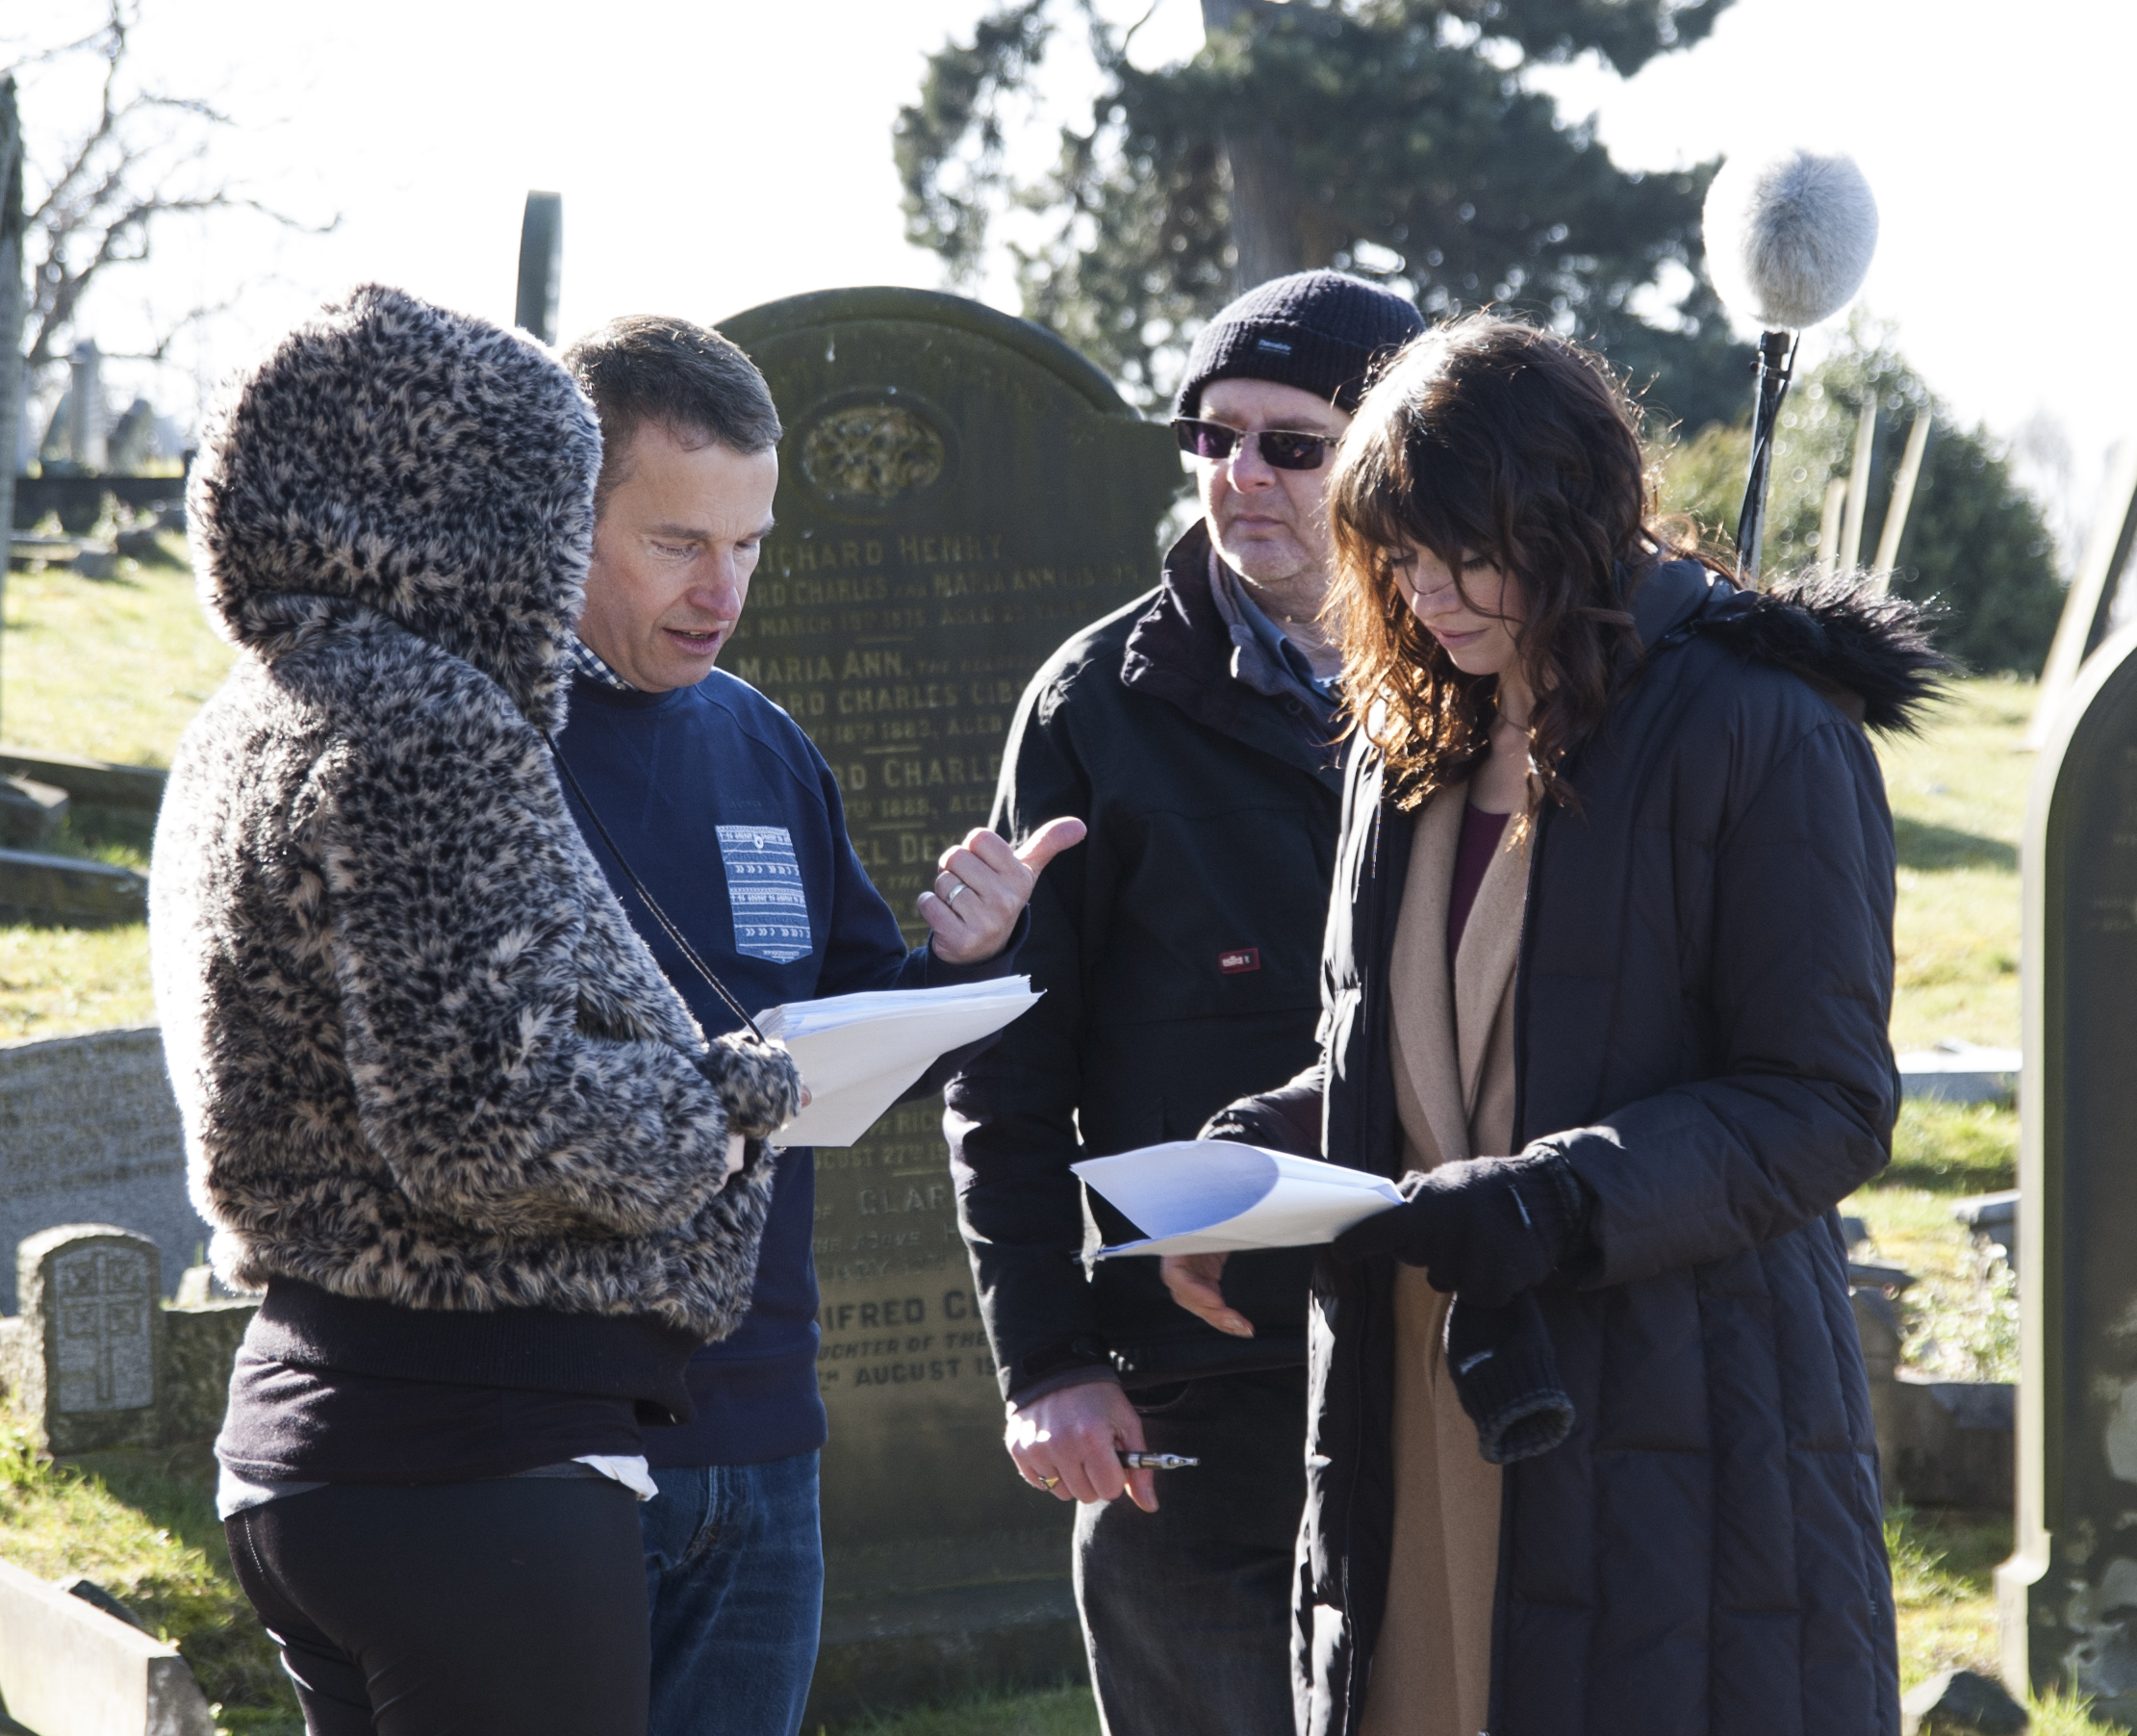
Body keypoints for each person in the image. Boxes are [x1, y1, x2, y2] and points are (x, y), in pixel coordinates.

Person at [1164, 313, 1940, 1736]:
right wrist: (1259, 1156)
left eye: (1460, 549)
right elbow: (1425, 1050)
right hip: (1409, 1398)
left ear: (1568, 518)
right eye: (1393, 554)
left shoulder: (1762, 724)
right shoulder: (1414, 738)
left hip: (1670, 1414)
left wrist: (1553, 1202)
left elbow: (1823, 1100)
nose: (1424, 591)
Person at [154, 285, 805, 1735]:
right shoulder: (428, 723)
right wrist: (728, 1105)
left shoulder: (253, 710)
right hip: (472, 1454)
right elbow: (481, 1121)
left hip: (316, 1440)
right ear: (491, 510)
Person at [548, 313, 1077, 1736]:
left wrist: (965, 959)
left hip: (769, 1429)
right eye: (676, 543)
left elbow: (859, 1037)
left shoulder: (761, 741)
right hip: (552, 1439)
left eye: (752, 545)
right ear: (559, 515)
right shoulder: (478, 746)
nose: (724, 591)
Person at [944, 269, 1425, 1735]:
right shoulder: (1094, 705)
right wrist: (1050, 1361)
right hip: (1194, 1380)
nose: (1240, 476)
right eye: (1211, 435)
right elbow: (1008, 1070)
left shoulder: (1487, 672)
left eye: (1294, 441)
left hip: (1448, 1336)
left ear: (1391, 457)